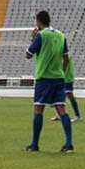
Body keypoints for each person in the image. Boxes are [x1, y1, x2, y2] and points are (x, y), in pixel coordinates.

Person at [23, 10, 74, 153]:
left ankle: (34, 144)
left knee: (38, 109)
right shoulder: (61, 35)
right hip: (59, 78)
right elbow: (66, 58)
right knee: (61, 109)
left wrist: (33, 38)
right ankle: (69, 144)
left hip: (44, 78)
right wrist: (61, 72)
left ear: (38, 21)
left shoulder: (41, 35)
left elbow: (28, 55)